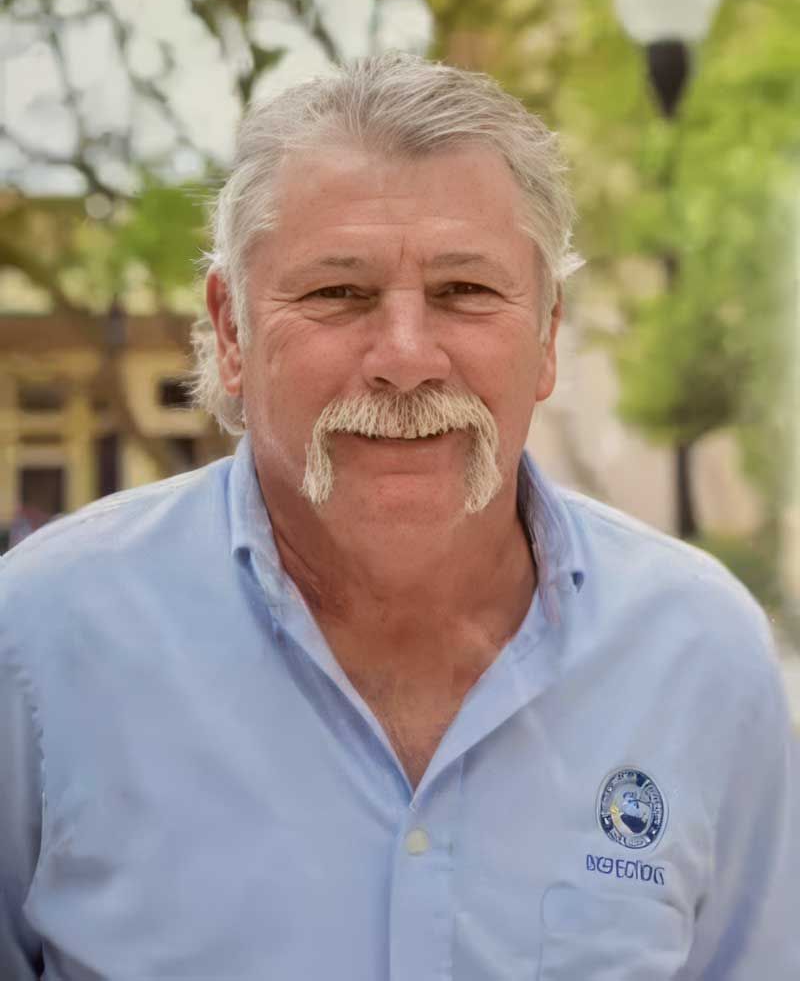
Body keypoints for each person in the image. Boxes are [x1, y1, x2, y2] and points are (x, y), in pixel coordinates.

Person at [0, 53, 796, 980]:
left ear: (547, 333)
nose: (406, 358)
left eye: (465, 292)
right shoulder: (40, 642)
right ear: (231, 331)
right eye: (338, 294)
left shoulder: (699, 653)